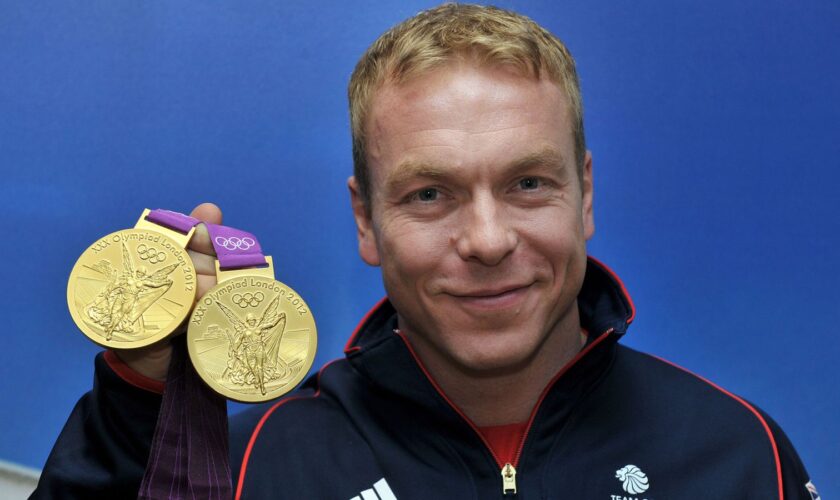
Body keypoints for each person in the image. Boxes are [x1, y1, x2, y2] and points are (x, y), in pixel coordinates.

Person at [34, 4, 817, 499]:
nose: (485, 240)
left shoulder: (741, 453)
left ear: (586, 195)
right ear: (366, 221)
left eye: (528, 184)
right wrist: (138, 403)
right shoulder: (256, 467)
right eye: (429, 195)